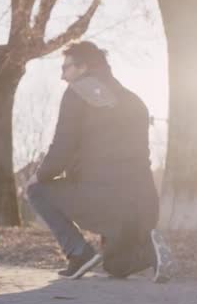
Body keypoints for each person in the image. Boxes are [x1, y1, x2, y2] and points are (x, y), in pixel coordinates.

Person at [25, 41, 174, 282]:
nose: (63, 76)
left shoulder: (78, 92)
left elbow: (62, 147)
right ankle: (149, 250)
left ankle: (79, 253)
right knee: (116, 267)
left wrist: (39, 176)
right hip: (142, 205)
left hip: (104, 199)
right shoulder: (135, 101)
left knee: (36, 191)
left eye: (66, 68)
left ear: (83, 67)